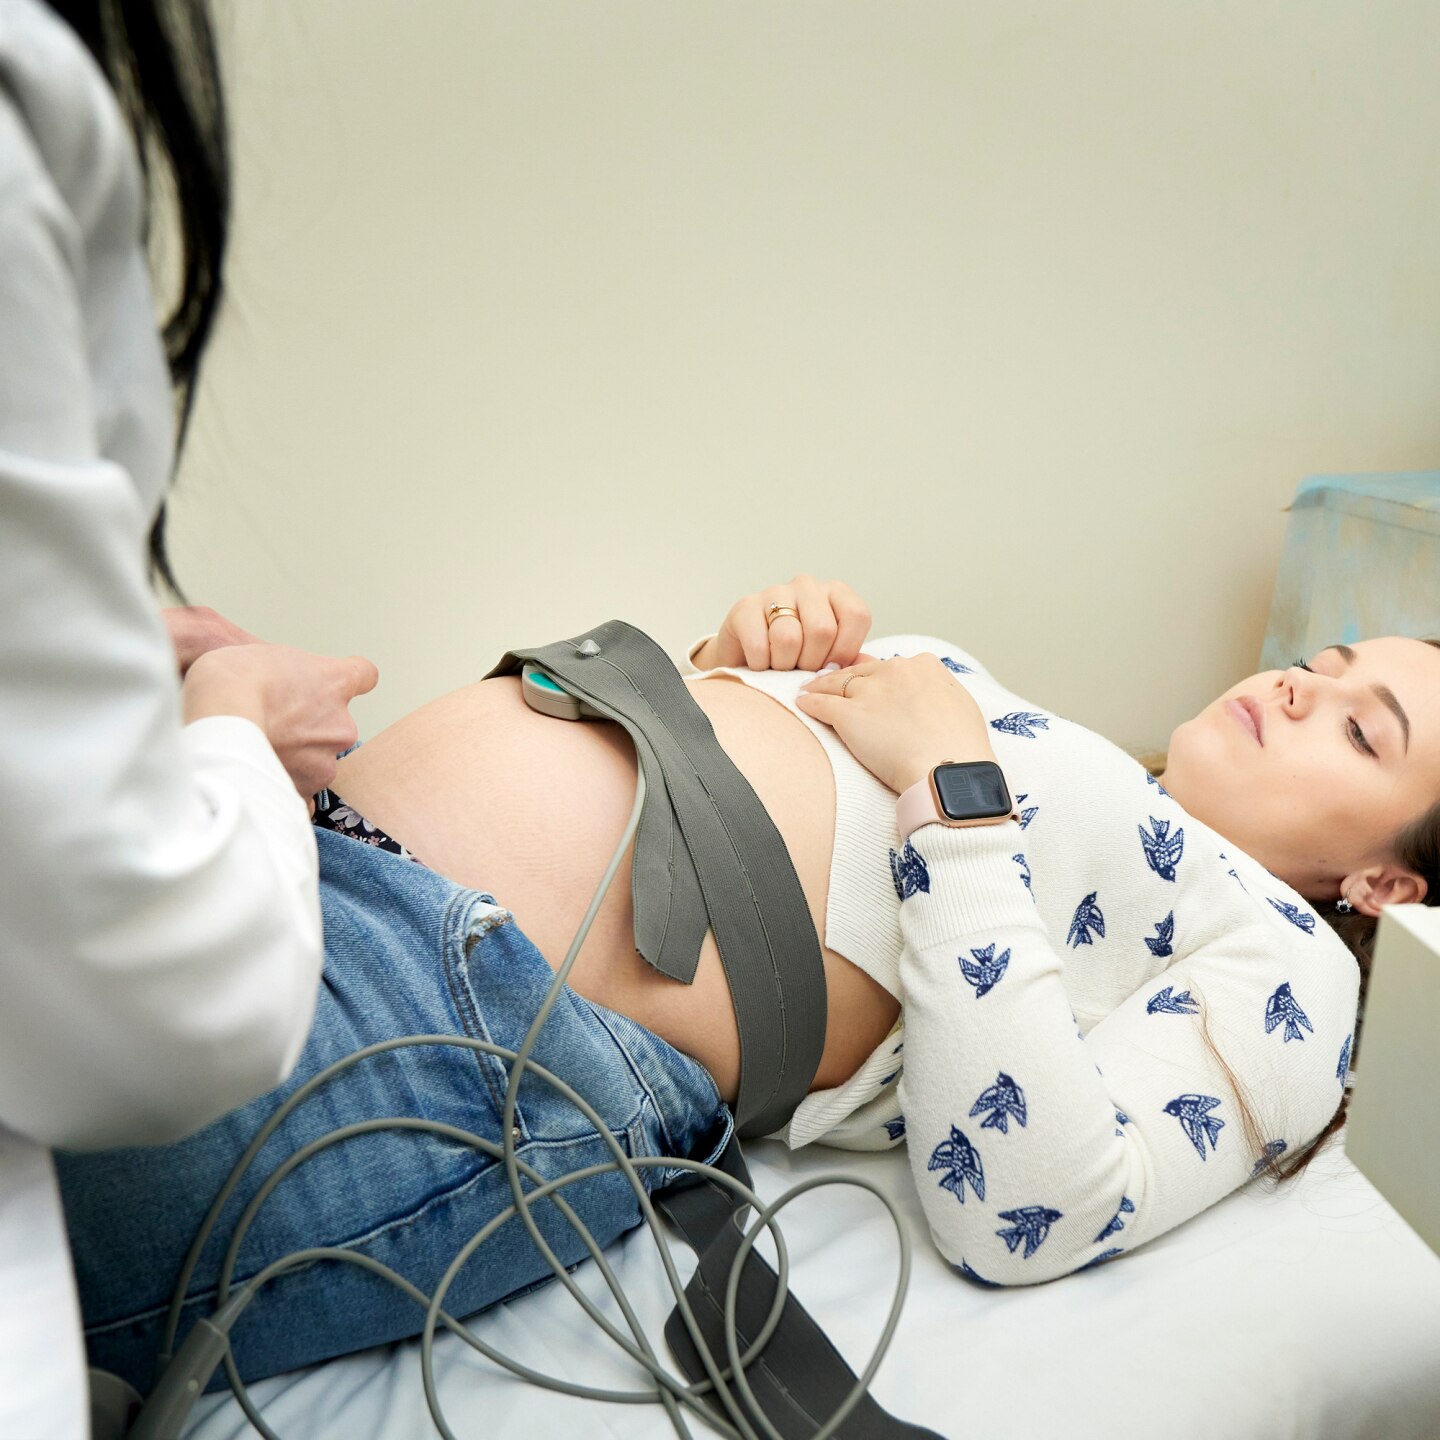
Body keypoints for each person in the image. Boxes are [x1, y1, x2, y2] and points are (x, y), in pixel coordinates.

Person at [56, 573, 1440, 1394]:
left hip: (471, 1026)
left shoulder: (1293, 964)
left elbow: (1037, 1203)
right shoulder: (1097, 775)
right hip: (298, 852)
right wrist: (755, 652)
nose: (1306, 690)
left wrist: (952, 791)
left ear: (1388, 886)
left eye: (1367, 733)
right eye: (1326, 665)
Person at [1, 2, 377, 1430]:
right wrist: (217, 722)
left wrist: (80, 666)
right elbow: (154, 998)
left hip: (432, 952)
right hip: (211, 968)